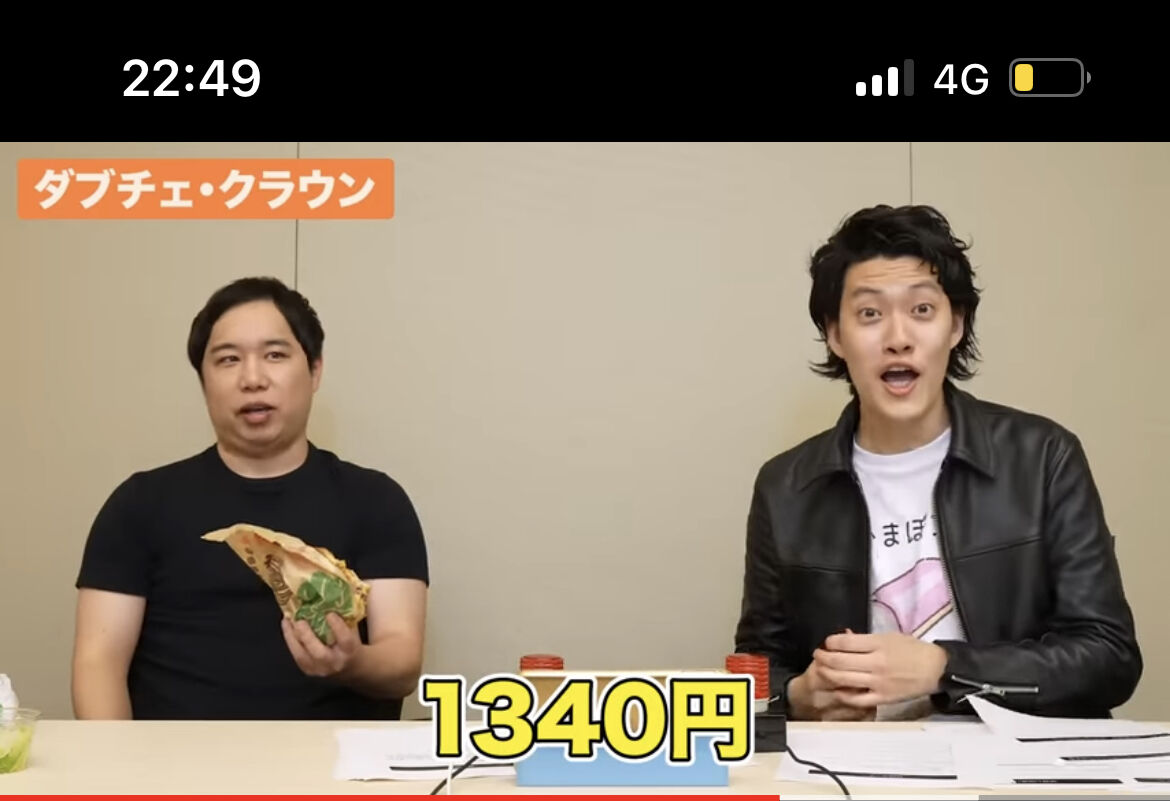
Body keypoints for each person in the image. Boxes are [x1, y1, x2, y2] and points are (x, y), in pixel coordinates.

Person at [734, 204, 1141, 721]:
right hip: (860, 762)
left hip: (1015, 761)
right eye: (870, 314)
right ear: (835, 335)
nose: (898, 338)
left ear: (956, 325)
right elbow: (754, 670)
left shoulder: (1042, 457)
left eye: (922, 310)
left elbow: (1109, 658)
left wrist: (943, 669)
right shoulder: (785, 487)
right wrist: (796, 695)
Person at [71, 277, 429, 720]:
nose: (253, 379)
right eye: (228, 359)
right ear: (203, 381)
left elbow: (402, 662)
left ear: (315, 371)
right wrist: (117, 762)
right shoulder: (139, 504)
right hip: (175, 761)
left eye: (275, 355)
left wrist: (352, 662)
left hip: (332, 760)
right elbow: (98, 664)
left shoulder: (376, 501)